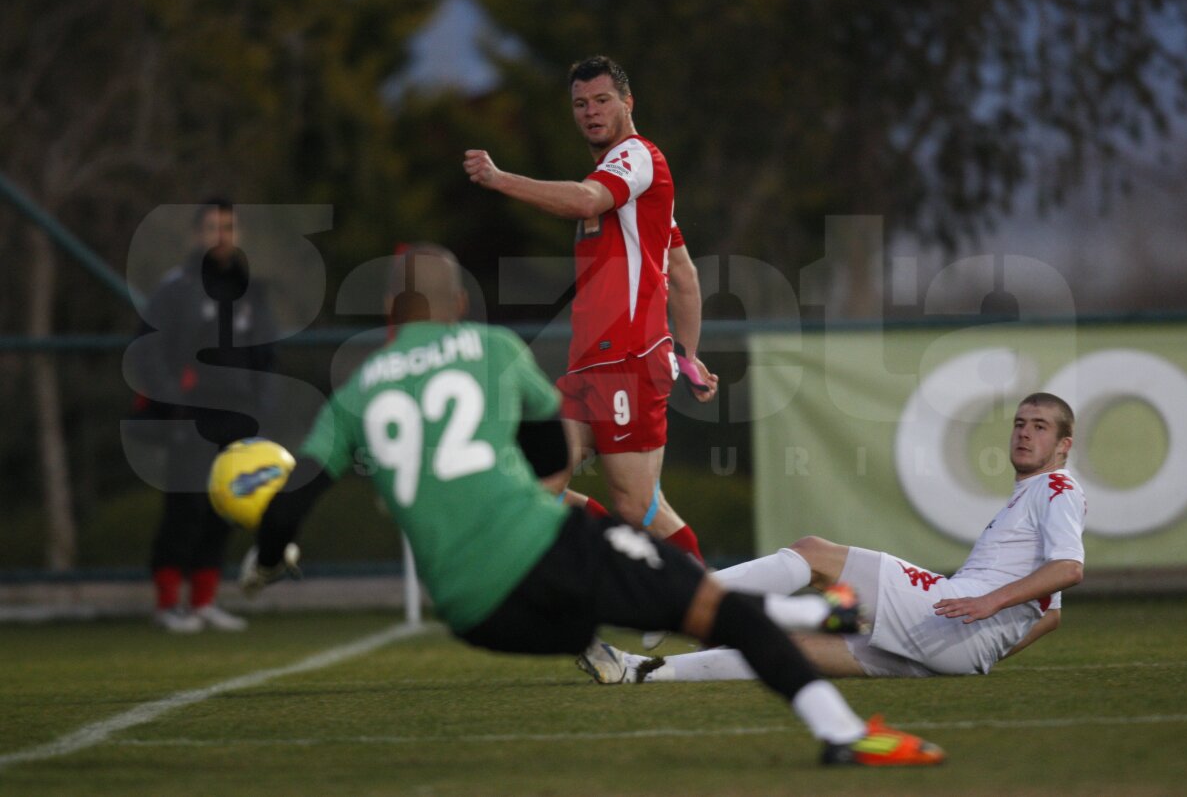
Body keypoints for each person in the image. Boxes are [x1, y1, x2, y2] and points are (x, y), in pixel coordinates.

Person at [239, 245, 944, 766]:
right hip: (545, 547)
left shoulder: (355, 393)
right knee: (709, 610)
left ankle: (809, 613)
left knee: (637, 610)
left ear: (389, 314)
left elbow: (288, 504)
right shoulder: (488, 347)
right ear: (457, 306)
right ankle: (844, 731)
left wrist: (267, 564)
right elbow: (552, 453)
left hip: (476, 614)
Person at [581, 393, 1086, 683]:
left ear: (1063, 446)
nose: (1024, 433)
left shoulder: (1057, 486)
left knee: (813, 553)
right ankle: (639, 672)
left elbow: (1069, 570)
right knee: (788, 648)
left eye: (1039, 427)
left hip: (955, 615)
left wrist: (987, 605)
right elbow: (1053, 613)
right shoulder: (1030, 498)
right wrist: (983, 655)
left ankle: (675, 600)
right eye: (1020, 423)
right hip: (960, 646)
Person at [463, 56, 716, 565]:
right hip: (591, 364)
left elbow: (584, 202)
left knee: (637, 504)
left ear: (628, 103)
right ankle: (626, 568)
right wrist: (687, 356)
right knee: (531, 473)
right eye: (580, 104)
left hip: (628, 357)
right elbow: (683, 272)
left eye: (601, 100)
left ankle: (705, 596)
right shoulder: (633, 189)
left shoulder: (637, 157)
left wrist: (498, 178)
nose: (590, 112)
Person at [130, 198, 276, 632]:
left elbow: (265, 355)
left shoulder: (250, 290)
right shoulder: (176, 288)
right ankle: (166, 603)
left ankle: (204, 601)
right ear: (197, 235)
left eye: (228, 227)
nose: (221, 236)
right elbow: (149, 348)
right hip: (189, 413)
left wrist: (260, 405)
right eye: (212, 227)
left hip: (236, 416)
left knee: (224, 507)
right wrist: (173, 400)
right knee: (185, 505)